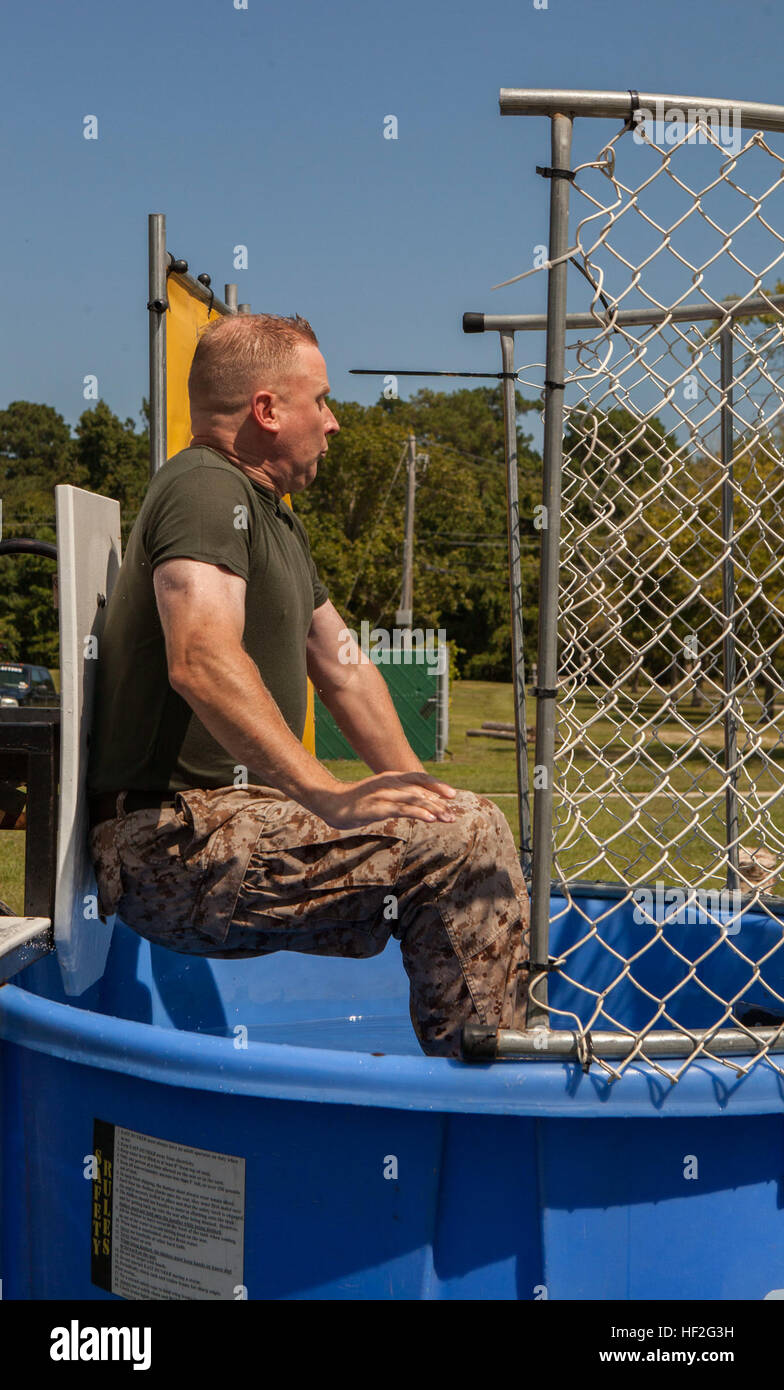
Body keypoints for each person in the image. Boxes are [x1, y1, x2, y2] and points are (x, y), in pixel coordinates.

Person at [86, 312, 530, 1057]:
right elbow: (200, 656)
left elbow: (345, 668)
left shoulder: (276, 522)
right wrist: (327, 792)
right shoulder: (203, 488)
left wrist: (419, 789)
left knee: (458, 818)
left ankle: (482, 1058)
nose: (333, 423)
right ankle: (494, 1089)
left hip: (225, 827)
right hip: (172, 841)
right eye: (318, 401)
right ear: (266, 409)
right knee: (467, 844)